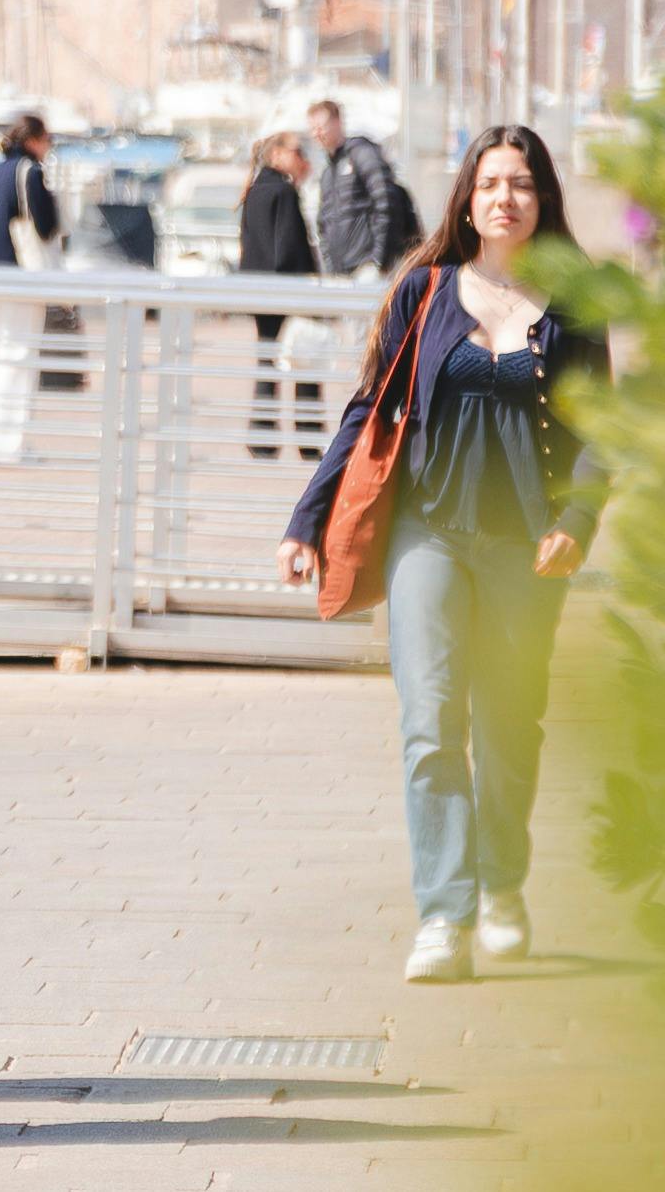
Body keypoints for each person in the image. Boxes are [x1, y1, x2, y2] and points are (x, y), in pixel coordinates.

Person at [279, 126, 603, 985]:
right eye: (490, 182)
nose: (505, 198)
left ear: (542, 201)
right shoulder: (423, 293)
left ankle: (501, 888)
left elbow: (602, 433)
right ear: (466, 198)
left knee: (507, 725)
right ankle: (443, 913)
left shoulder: (574, 308)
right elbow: (367, 409)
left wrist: (577, 515)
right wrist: (305, 519)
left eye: (522, 184)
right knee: (428, 723)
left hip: (527, 547)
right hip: (428, 535)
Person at [0, 114, 60, 467]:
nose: (49, 146)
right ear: (34, 139)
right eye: (48, 138)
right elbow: (47, 226)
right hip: (19, 271)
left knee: (5, 352)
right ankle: (9, 443)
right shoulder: (31, 172)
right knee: (20, 355)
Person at [238, 130, 324, 457]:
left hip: (260, 292)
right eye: (297, 151)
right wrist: (311, 288)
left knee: (268, 362)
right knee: (305, 365)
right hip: (289, 290)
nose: (303, 158)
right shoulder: (284, 192)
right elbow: (289, 247)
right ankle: (310, 439)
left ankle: (262, 438)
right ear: (277, 154)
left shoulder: (255, 188)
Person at [311, 99, 415, 280]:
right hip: (340, 271)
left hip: (366, 267)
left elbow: (386, 200)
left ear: (337, 122)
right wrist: (329, 262)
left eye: (321, 126)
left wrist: (379, 259)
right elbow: (324, 222)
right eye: (313, 129)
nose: (317, 134)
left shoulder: (362, 154)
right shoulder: (328, 173)